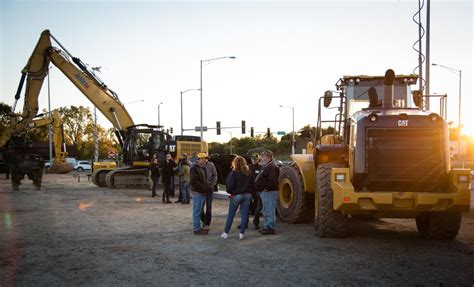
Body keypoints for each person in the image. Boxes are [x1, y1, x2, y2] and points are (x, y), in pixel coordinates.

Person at [221, 156, 253, 240]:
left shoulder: (233, 173)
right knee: (244, 215)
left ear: (234, 163)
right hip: (247, 195)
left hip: (237, 195)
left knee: (231, 215)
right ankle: (241, 234)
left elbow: (229, 185)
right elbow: (253, 184)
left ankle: (225, 233)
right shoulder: (248, 172)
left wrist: (231, 192)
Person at [255, 150, 280, 235]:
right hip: (266, 192)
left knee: (269, 210)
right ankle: (267, 226)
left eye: (264, 156)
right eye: (262, 156)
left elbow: (273, 180)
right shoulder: (267, 166)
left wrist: (266, 188)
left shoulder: (272, 166)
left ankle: (270, 228)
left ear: (269, 156)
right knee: (265, 210)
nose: (262, 158)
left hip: (269, 192)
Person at [190, 152, 211, 235]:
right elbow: (194, 181)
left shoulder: (203, 168)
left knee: (199, 211)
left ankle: (198, 227)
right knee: (197, 211)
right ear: (200, 159)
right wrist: (203, 189)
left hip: (202, 192)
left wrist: (206, 189)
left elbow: (205, 181)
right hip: (198, 192)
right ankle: (197, 229)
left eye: (205, 159)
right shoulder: (194, 168)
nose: (206, 160)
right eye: (204, 159)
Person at [200, 153, 217, 231]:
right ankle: (203, 220)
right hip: (201, 190)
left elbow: (215, 175)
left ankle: (207, 224)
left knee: (208, 207)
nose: (199, 160)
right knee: (200, 208)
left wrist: (212, 184)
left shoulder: (211, 165)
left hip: (209, 189)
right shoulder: (198, 165)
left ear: (205, 158)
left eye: (201, 158)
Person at [249, 153, 263, 229]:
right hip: (249, 190)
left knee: (258, 207)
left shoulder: (261, 168)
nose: (254, 160)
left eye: (255, 159)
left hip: (258, 190)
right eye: (253, 159)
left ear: (258, 160)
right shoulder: (248, 168)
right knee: (246, 207)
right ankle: (244, 223)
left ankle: (256, 222)